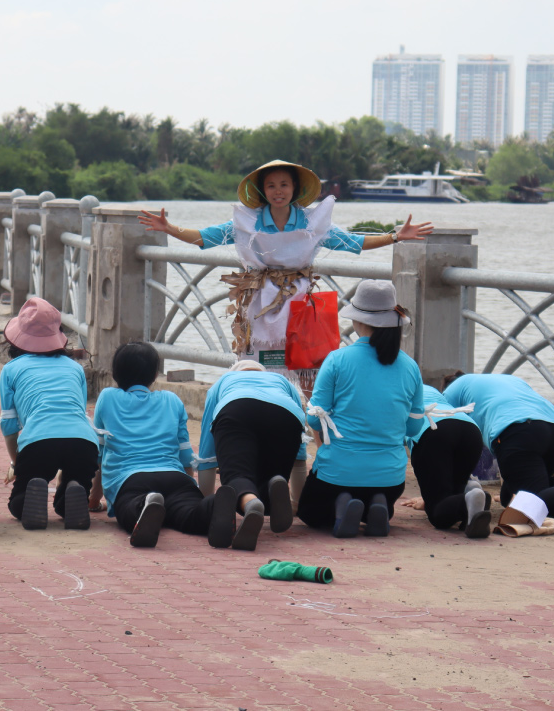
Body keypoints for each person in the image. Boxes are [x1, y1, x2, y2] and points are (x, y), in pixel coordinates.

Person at [138, 160, 432, 377]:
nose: (278, 191)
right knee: (257, 364)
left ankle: (298, 436)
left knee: (303, 368)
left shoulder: (312, 222)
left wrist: (394, 236)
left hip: (299, 300)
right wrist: (170, 228)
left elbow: (352, 242)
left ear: (295, 188)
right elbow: (204, 237)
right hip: (259, 300)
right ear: (262, 190)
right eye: (271, 185)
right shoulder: (247, 222)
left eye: (284, 184)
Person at [298, 281, 424, 537]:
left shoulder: (337, 359)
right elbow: (413, 426)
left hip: (337, 473)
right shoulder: (410, 366)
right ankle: (378, 505)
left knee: (309, 512)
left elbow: (314, 420)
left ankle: (342, 505)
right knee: (376, 492)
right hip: (390, 478)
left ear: (357, 321)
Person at [93, 342, 236, 548]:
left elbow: (99, 454)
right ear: (154, 375)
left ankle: (144, 506)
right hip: (174, 477)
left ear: (116, 372)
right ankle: (211, 507)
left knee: (128, 510)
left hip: (131, 480)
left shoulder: (107, 398)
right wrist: (190, 488)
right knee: (188, 514)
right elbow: (186, 455)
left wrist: (93, 498)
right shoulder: (171, 400)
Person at [442, 373, 554, 534]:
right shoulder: (505, 379)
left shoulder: (449, 393)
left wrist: (442, 494)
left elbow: (445, 440)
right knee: (509, 496)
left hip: (517, 431)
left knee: (531, 504)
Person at [0, 297, 100, 531]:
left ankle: (28, 500)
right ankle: (71, 496)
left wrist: (17, 463)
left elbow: (10, 425)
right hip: (83, 442)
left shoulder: (11, 369)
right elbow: (79, 412)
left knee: (18, 500)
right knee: (74, 489)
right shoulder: (75, 368)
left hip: (38, 441)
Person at [197, 360, 309, 549]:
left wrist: (207, 501)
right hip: (285, 413)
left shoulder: (224, 380)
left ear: (235, 371)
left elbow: (207, 455)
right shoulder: (282, 382)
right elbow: (300, 457)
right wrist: (297, 502)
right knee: (272, 475)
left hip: (236, 407)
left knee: (236, 475)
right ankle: (274, 485)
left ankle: (250, 501)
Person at [406, 385, 491, 538]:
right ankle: (470, 490)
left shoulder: (387, 391)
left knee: (438, 515)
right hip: (469, 428)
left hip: (432, 429)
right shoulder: (425, 387)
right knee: (453, 490)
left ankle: (467, 499)